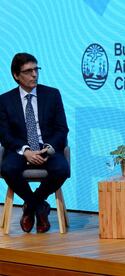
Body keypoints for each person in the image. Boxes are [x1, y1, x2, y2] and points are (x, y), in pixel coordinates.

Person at [0, 53, 70, 233]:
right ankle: (40, 207)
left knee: (62, 169)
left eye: (36, 69)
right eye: (28, 71)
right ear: (16, 75)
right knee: (7, 168)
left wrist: (47, 150)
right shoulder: (4, 100)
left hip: (47, 147)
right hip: (20, 149)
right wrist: (25, 151)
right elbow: (5, 135)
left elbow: (62, 129)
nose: (34, 75)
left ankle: (30, 206)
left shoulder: (52, 94)